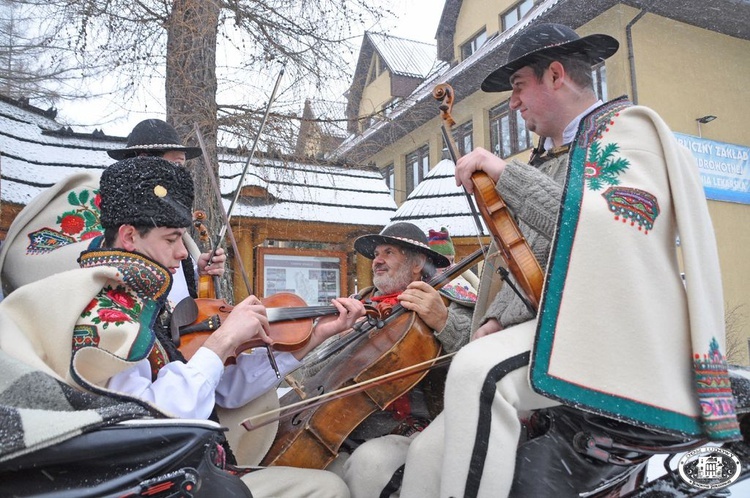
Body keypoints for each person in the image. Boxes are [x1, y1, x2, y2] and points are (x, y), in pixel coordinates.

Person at [396, 23, 741, 498]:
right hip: (566, 328)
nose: (512, 103)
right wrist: (496, 318)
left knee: (481, 372)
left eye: (518, 87)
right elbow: (537, 258)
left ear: (555, 75)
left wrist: (503, 172)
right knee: (426, 450)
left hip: (621, 332)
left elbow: (604, 229)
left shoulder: (628, 132)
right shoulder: (552, 154)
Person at [0, 156, 364, 497]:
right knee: (328, 488)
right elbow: (153, 423)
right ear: (129, 237)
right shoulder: (105, 314)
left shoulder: (139, 301)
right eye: (172, 239)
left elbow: (222, 395)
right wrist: (221, 341)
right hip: (162, 481)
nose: (182, 253)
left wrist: (312, 337)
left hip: (183, 468)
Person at [320, 222, 474, 497]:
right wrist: (334, 336)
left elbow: (478, 355)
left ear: (418, 263)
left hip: (415, 430)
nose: (376, 260)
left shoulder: (445, 300)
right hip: (342, 426)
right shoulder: (360, 304)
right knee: (319, 475)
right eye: (376, 253)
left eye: (388, 252)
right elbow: (316, 369)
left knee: (370, 463)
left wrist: (444, 321)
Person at [0, 118, 224, 307]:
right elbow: (32, 262)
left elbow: (175, 287)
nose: (180, 174)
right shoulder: (91, 194)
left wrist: (197, 272)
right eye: (175, 164)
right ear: (144, 159)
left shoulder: (166, 209)